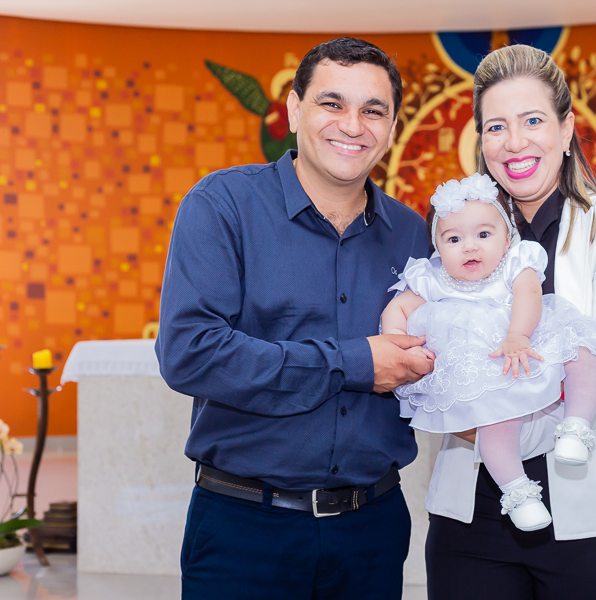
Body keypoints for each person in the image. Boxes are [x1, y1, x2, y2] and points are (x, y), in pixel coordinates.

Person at [155, 38, 433, 600]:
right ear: (293, 110)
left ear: (391, 127)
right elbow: (190, 352)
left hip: (373, 529)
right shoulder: (223, 205)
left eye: (373, 110)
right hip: (243, 528)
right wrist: (356, 362)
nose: (352, 125)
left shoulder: (415, 235)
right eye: (332, 103)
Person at [424, 45, 596, 600]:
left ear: (566, 130)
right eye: (496, 126)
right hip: (472, 520)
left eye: (533, 121)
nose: (514, 142)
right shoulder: (458, 234)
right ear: (481, 141)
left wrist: (491, 425)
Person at [381, 173, 596, 532]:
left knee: (580, 351)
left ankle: (576, 427)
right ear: (437, 247)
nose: (469, 247)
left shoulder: (515, 263)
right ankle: (517, 492)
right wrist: (397, 341)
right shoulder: (433, 279)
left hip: (526, 343)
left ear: (507, 239)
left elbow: (529, 295)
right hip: (490, 368)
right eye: (454, 239)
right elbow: (398, 308)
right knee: (495, 420)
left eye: (483, 235)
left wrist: (518, 334)